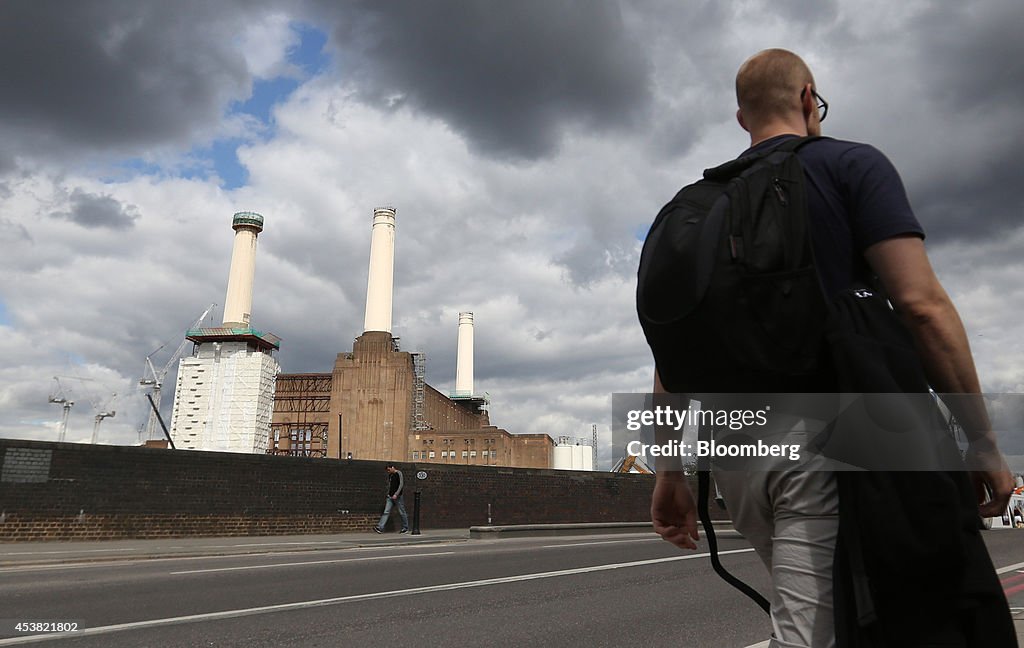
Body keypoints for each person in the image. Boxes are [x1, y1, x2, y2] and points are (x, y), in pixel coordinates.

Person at [648, 48, 1015, 647]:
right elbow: (922, 307)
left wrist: (669, 469)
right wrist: (983, 443)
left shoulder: (695, 206)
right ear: (808, 97)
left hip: (735, 456)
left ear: (742, 119)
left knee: (834, 623)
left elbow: (673, 356)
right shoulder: (850, 165)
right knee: (820, 633)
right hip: (824, 442)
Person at [375, 463, 409, 534]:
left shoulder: (399, 473)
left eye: (389, 470)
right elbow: (390, 485)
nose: (388, 471)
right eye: (387, 470)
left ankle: (405, 527)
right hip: (390, 496)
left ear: (392, 467)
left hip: (398, 496)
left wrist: (396, 494)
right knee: (386, 512)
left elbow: (401, 484)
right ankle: (380, 527)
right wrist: (388, 493)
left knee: (402, 512)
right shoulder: (390, 475)